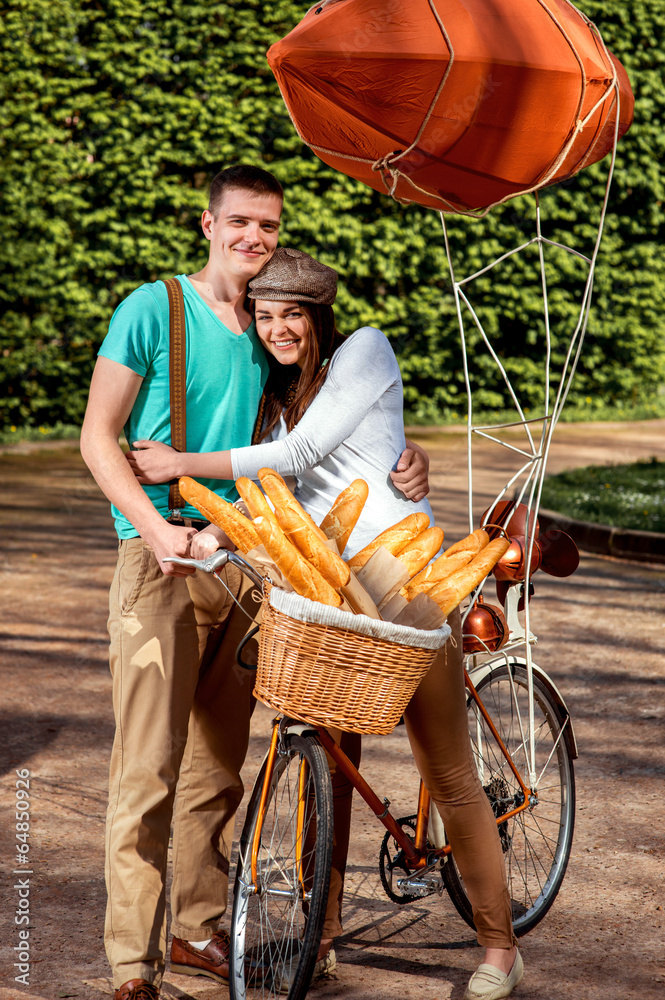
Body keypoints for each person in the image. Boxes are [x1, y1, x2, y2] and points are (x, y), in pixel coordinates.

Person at [126, 248, 524, 1000]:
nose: (278, 329)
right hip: (329, 594)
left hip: (403, 579)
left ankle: (499, 949)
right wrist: (210, 539)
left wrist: (182, 462)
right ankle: (324, 940)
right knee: (329, 776)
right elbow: (277, 493)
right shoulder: (273, 398)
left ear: (319, 317)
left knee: (446, 767)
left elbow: (303, 452)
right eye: (266, 316)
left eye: (292, 316)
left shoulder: (365, 350)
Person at [80, 167, 429, 1000]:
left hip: (243, 568)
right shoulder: (150, 310)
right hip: (160, 564)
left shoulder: (276, 328)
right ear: (207, 224)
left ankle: (197, 928)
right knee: (145, 769)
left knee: (216, 771)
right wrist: (156, 528)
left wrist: (403, 461)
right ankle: (133, 965)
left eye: (267, 227)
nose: (253, 239)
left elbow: (321, 432)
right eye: (239, 223)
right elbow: (99, 437)